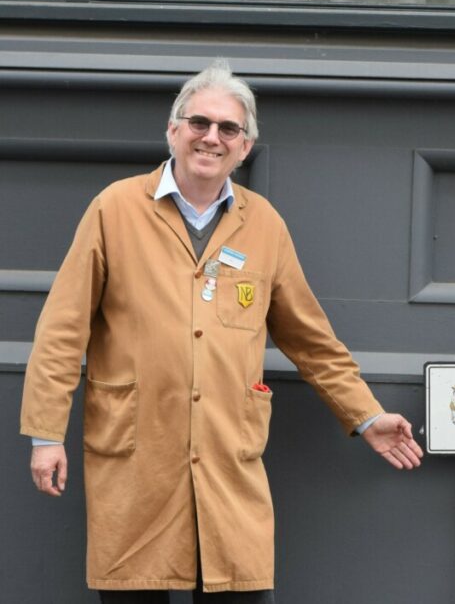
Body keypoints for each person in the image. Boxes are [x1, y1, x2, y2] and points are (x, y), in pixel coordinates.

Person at [20, 60, 423, 602]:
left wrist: (367, 414)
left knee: (240, 588)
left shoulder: (263, 224)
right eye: (199, 123)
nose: (212, 137)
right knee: (134, 590)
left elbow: (311, 340)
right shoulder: (114, 209)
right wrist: (46, 435)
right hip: (137, 457)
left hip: (228, 460)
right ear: (173, 131)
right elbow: (62, 329)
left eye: (228, 129)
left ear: (245, 146)